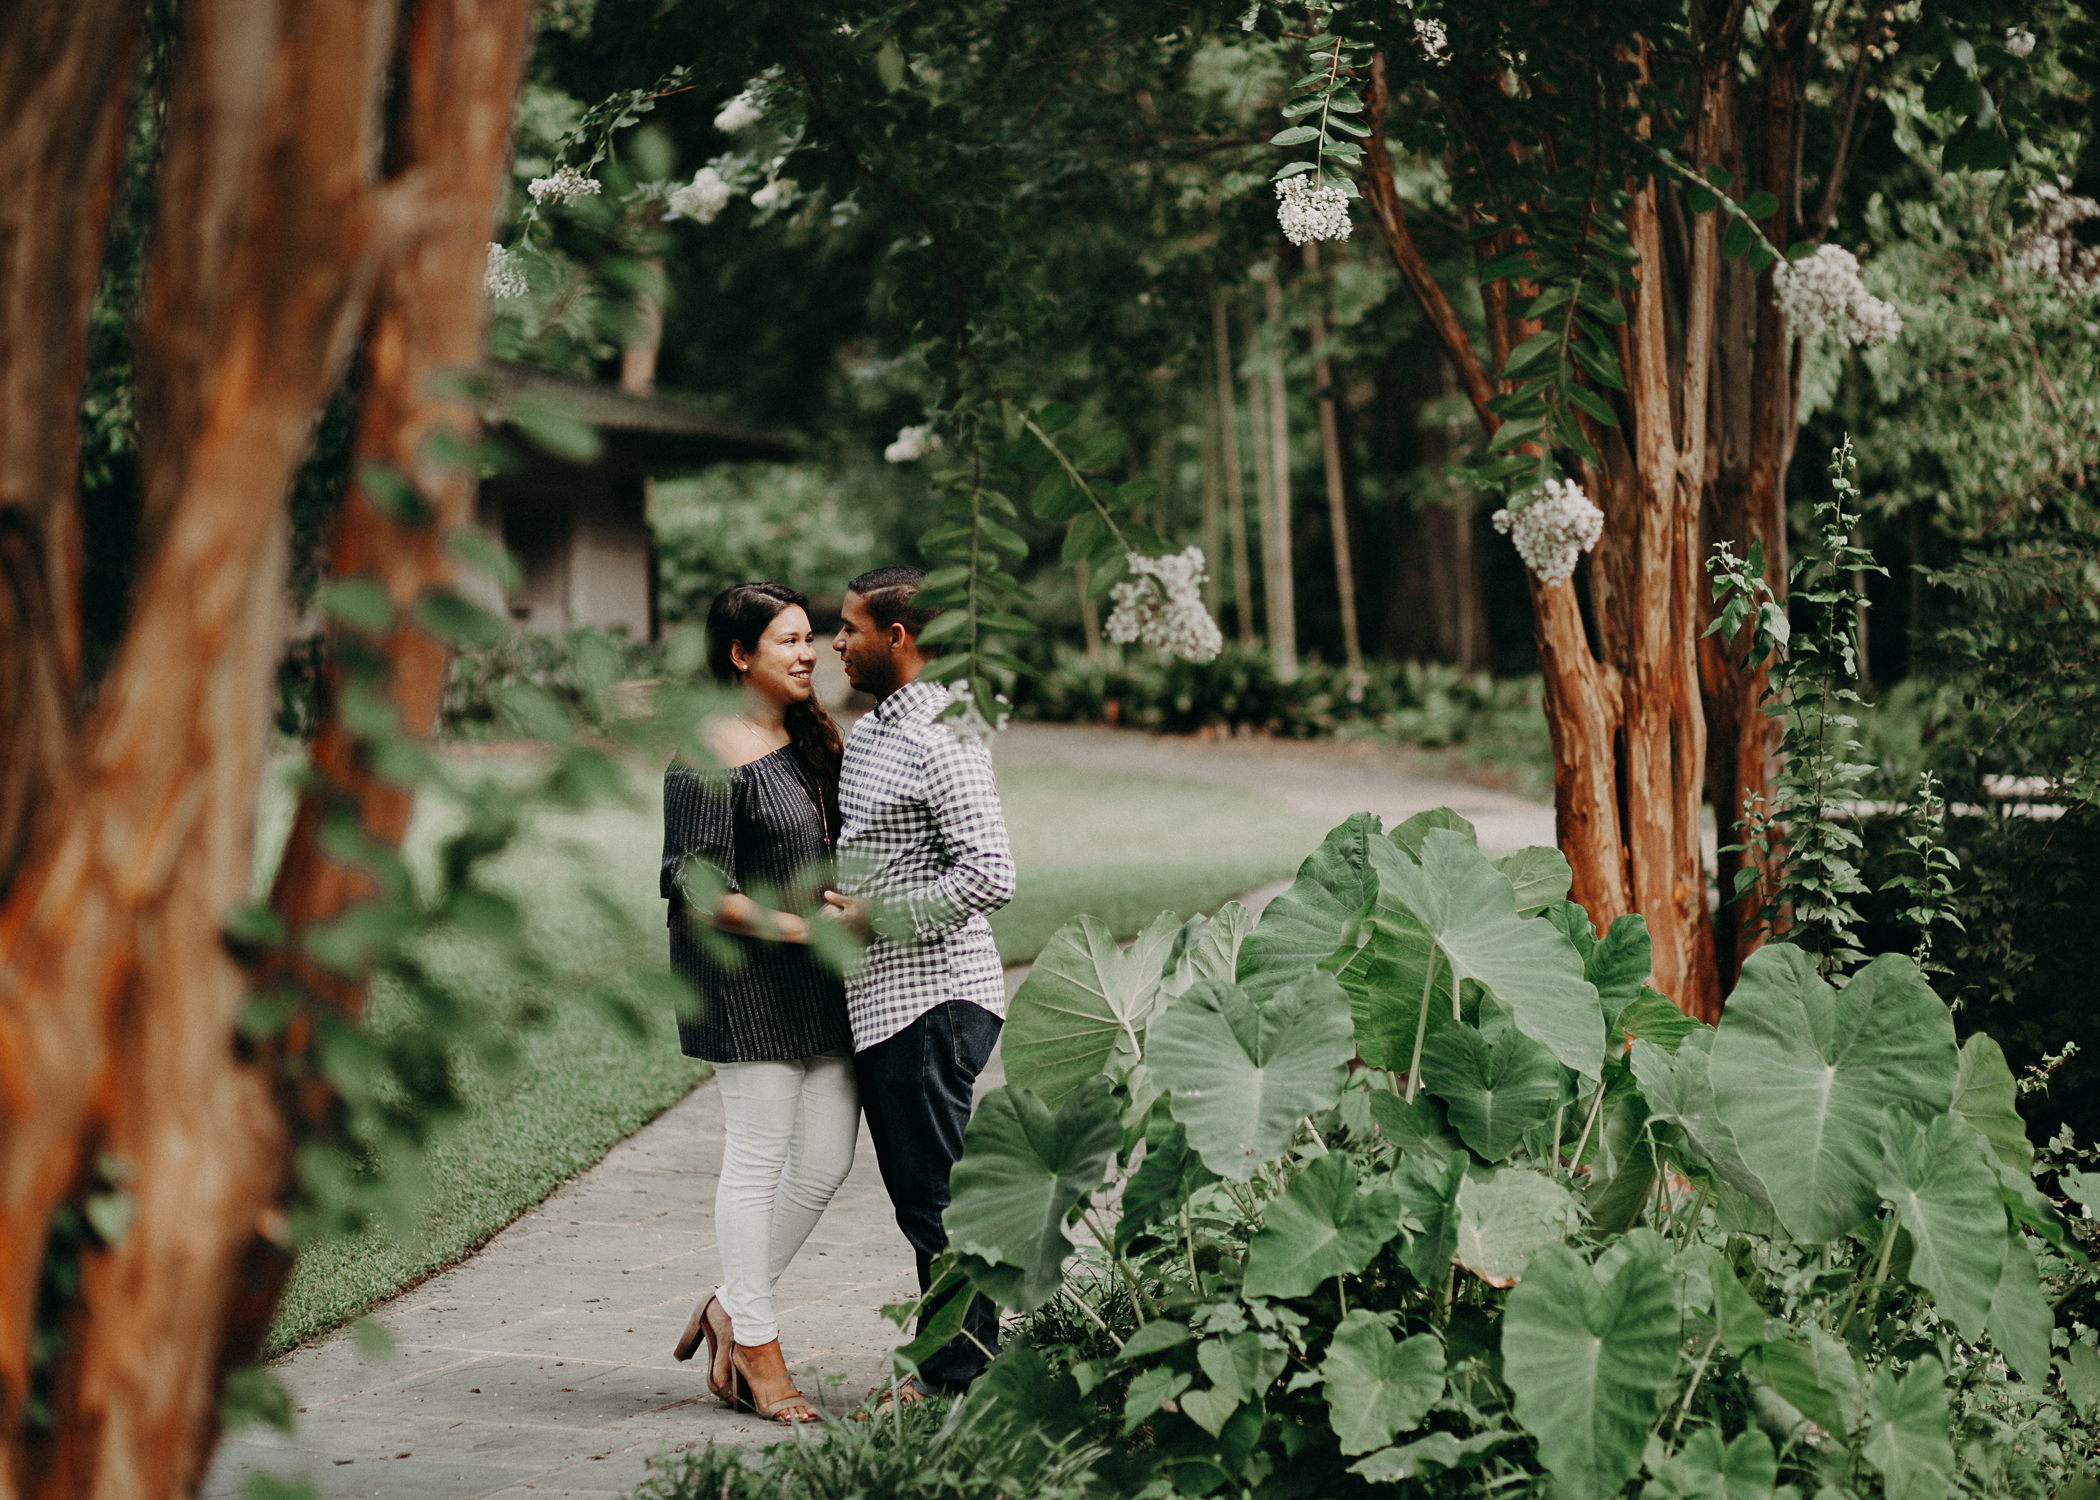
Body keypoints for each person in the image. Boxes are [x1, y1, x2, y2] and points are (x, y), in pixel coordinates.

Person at [660, 581, 855, 1426]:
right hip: (743, 980)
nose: (809, 653)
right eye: (789, 641)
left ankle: (728, 1310)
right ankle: (761, 1354)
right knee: (759, 1156)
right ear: (741, 656)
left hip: (817, 979)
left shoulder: (813, 740)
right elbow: (698, 889)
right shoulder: (705, 750)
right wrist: (803, 930)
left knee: (827, 1160)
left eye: (811, 638)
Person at [822, 565, 1017, 1403]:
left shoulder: (944, 733)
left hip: (933, 997)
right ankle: (954, 1364)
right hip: (886, 1004)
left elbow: (993, 873)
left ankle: (958, 1378)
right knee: (919, 1198)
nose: (837, 642)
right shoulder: (875, 730)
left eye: (849, 627)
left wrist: (879, 916)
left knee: (937, 1199)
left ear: (896, 638)